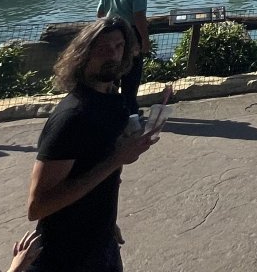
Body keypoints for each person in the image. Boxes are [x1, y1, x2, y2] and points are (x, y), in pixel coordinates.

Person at [26, 18, 160, 272]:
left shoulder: (111, 101)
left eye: (119, 46)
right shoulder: (73, 115)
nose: (113, 55)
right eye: (102, 48)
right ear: (83, 55)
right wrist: (116, 159)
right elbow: (38, 206)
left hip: (101, 242)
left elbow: (101, 170)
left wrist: (107, 223)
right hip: (65, 255)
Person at [95, 0, 149, 114]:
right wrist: (145, 40)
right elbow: (138, 16)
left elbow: (100, 14)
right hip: (130, 35)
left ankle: (111, 110)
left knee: (113, 74)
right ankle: (130, 113)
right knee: (131, 77)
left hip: (111, 33)